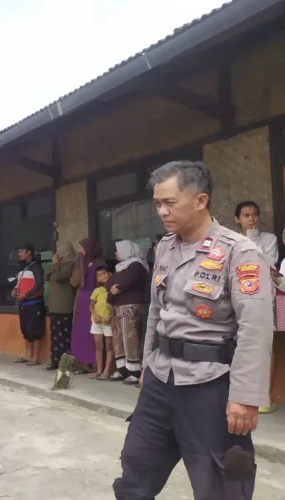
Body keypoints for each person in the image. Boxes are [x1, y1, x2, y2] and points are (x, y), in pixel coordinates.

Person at [113, 160, 272, 500]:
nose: (162, 211)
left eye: (170, 202)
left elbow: (255, 329)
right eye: (157, 203)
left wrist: (245, 397)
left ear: (200, 200)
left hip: (210, 385)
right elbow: (157, 309)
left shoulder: (240, 252)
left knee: (221, 483)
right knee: (135, 470)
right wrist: (147, 363)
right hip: (161, 378)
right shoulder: (166, 246)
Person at [235, 200, 279, 414]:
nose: (251, 219)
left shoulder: (269, 239)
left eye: (254, 214)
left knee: (264, 349)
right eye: (246, 215)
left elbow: (268, 263)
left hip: (263, 300)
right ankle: (239, 396)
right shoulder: (232, 241)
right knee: (238, 347)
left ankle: (266, 397)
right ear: (238, 219)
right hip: (237, 302)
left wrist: (252, 239)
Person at [107, 240, 150, 386]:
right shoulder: (119, 267)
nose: (115, 253)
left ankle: (134, 371)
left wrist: (114, 288)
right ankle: (122, 368)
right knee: (118, 338)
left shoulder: (136, 265)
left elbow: (123, 284)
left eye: (118, 250)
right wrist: (112, 289)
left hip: (131, 306)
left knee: (130, 338)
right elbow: (109, 283)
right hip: (117, 306)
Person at [70, 238, 106, 373]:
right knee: (81, 332)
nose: (79, 251)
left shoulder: (99, 264)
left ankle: (97, 364)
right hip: (81, 301)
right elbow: (73, 282)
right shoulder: (82, 264)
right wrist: (79, 265)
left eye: (81, 248)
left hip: (94, 301)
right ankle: (85, 364)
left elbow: (103, 283)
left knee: (93, 332)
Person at [45, 241, 78, 371]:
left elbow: (59, 277)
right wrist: (55, 264)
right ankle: (55, 361)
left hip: (65, 308)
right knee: (55, 337)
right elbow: (46, 275)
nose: (57, 253)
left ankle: (66, 364)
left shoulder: (70, 265)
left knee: (65, 338)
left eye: (60, 251)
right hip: (55, 307)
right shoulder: (59, 265)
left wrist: (56, 264)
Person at [12, 243, 45, 366]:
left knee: (35, 331)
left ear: (29, 252)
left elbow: (39, 284)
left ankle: (35, 357)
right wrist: (15, 289)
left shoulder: (36, 267)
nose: (19, 254)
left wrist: (27, 295)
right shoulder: (22, 268)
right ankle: (28, 355)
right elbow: (19, 283)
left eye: (21, 251)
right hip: (23, 304)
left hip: (34, 303)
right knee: (26, 330)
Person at [88, 265, 114, 380]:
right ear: (97, 279)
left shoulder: (113, 290)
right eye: (99, 275)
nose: (102, 276)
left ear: (110, 274)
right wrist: (95, 315)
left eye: (104, 273)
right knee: (98, 347)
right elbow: (91, 306)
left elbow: (115, 307)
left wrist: (110, 316)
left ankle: (107, 371)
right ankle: (99, 370)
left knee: (109, 347)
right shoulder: (97, 291)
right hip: (97, 322)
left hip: (108, 323)